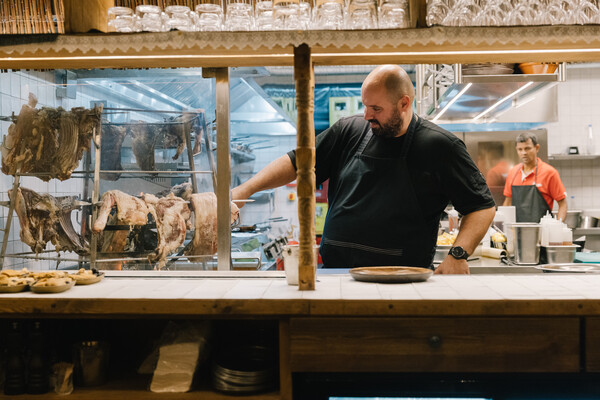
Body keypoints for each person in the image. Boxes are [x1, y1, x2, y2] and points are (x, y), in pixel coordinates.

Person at [232, 65, 495, 274]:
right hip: (337, 273)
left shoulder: (440, 145)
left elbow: (481, 206)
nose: (367, 115)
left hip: (404, 279)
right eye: (365, 105)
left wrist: (458, 255)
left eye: (376, 108)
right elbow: (297, 163)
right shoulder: (350, 130)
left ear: (404, 103)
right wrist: (243, 191)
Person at [503, 132, 567, 222]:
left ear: (537, 148)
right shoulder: (513, 172)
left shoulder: (550, 173)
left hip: (542, 231)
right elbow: (508, 202)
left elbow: (562, 204)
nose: (523, 153)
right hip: (517, 230)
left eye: (527, 148)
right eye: (520, 149)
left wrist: (558, 226)